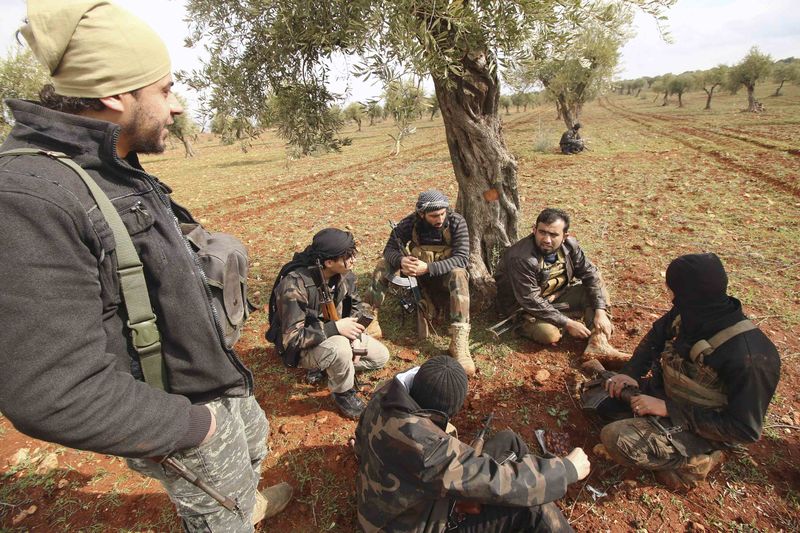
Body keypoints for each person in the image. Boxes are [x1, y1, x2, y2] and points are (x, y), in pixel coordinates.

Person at [0, 1, 290, 530]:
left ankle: (245, 503)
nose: (176, 106)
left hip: (213, 383)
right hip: (181, 411)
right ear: (113, 95)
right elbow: (52, 391)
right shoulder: (32, 198)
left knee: (252, 445)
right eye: (163, 90)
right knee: (218, 516)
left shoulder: (107, 159)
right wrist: (195, 427)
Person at [597, 253, 781, 489]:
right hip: (668, 396)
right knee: (603, 401)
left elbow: (744, 429)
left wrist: (668, 410)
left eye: (672, 289)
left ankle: (699, 461)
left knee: (617, 439)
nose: (669, 295)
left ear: (687, 293)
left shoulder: (751, 357)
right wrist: (631, 372)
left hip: (708, 425)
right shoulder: (690, 311)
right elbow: (656, 338)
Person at [354, 356, 590, 532]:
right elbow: (497, 481)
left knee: (508, 441)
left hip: (397, 503)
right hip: (408, 526)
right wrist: (566, 470)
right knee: (536, 510)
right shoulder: (429, 446)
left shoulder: (386, 394)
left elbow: (361, 444)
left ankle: (533, 490)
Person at [267, 228, 390, 420]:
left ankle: (331, 367)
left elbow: (356, 308)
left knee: (380, 356)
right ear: (329, 262)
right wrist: (335, 329)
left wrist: (356, 337)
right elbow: (291, 339)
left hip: (336, 335)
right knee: (340, 348)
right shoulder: (294, 285)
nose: (353, 260)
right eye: (347, 257)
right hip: (303, 348)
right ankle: (343, 392)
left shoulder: (344, 275)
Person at [494, 208, 627, 366]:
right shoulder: (521, 257)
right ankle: (564, 321)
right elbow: (530, 300)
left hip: (556, 296)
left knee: (596, 290)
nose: (547, 240)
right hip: (525, 309)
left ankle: (598, 343)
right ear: (534, 230)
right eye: (542, 232)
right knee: (549, 335)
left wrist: (600, 310)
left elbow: (590, 274)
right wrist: (568, 323)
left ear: (565, 236)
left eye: (554, 234)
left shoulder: (570, 246)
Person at [367, 189, 475, 375]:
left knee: (459, 274)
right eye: (434, 216)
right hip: (416, 276)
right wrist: (401, 260)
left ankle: (459, 343)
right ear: (421, 213)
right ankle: (370, 319)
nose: (440, 219)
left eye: (442, 214)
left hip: (443, 277)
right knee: (383, 265)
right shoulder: (410, 222)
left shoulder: (457, 222)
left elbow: (462, 258)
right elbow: (389, 249)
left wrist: (429, 268)